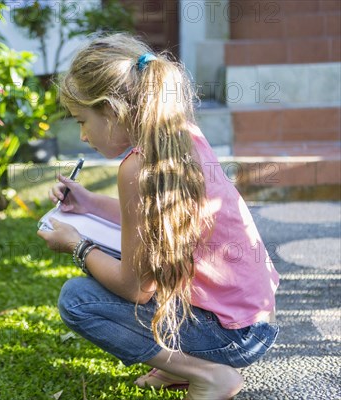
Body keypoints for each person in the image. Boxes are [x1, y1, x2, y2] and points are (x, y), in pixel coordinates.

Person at [37, 33, 279, 399]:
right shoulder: (180, 138)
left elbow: (136, 289)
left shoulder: (137, 168)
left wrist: (77, 246)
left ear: (112, 110)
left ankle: (207, 374)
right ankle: (177, 367)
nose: (84, 136)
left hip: (230, 335)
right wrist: (87, 203)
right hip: (252, 324)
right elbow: (150, 224)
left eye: (81, 121)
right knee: (124, 255)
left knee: (78, 299)